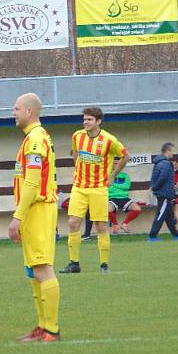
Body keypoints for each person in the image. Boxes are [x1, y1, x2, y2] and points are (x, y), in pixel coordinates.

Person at [7, 93, 61, 343]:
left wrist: (17, 216)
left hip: (38, 209)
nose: (13, 112)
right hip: (32, 210)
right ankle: (42, 326)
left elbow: (32, 180)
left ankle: (51, 329)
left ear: (29, 111)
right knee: (33, 271)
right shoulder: (31, 139)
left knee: (42, 268)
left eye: (16, 108)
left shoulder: (36, 140)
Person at [60, 107, 129, 274]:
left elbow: (126, 156)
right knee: (73, 222)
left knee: (101, 225)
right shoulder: (77, 136)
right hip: (79, 187)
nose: (85, 122)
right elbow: (76, 154)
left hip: (98, 188)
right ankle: (74, 263)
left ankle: (104, 264)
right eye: (84, 119)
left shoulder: (108, 140)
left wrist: (112, 175)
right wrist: (78, 169)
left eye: (89, 119)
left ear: (98, 121)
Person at [147, 143, 178, 242]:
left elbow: (156, 177)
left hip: (165, 193)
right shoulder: (165, 163)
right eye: (173, 151)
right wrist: (155, 188)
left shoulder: (159, 162)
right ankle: (152, 236)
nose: (173, 153)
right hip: (164, 194)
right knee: (160, 215)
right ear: (168, 151)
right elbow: (162, 178)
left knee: (169, 217)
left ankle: (176, 235)